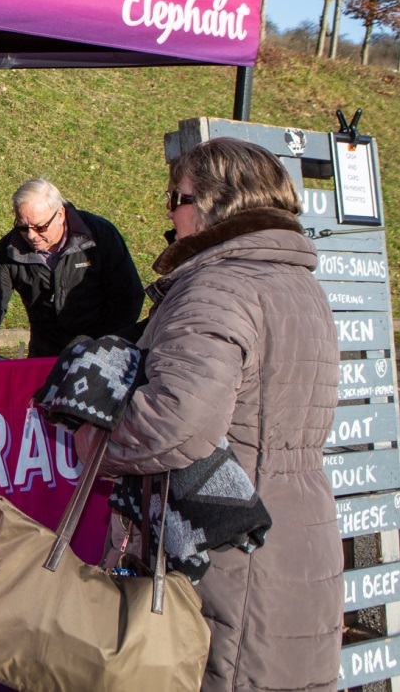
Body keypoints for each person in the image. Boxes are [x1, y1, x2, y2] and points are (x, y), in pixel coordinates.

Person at [88, 137, 340, 692]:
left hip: (221, 548)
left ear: (214, 203)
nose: (169, 214)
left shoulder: (218, 286)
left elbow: (175, 423)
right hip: (292, 530)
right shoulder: (298, 285)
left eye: (175, 198)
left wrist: (92, 433)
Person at [0, 178, 144, 358]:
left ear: (60, 214)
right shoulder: (10, 248)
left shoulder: (100, 235)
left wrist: (106, 346)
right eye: (22, 227)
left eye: (40, 227)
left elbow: (128, 296)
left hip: (99, 350)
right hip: (45, 353)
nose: (31, 236)